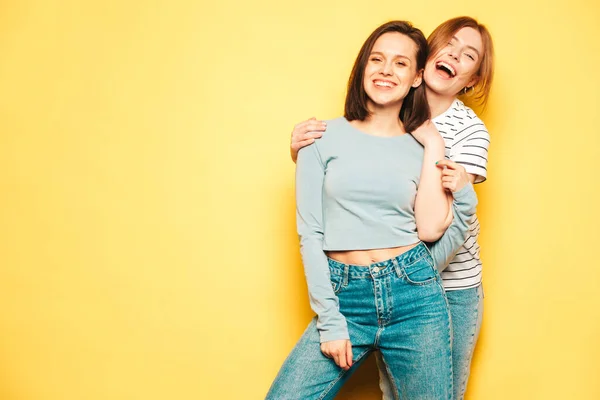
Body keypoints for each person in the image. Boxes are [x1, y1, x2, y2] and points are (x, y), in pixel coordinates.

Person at [267, 20, 478, 400]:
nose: (385, 70)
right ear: (362, 66)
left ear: (416, 77)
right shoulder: (319, 137)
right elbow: (310, 235)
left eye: (400, 63)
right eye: (376, 59)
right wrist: (331, 321)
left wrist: (434, 147)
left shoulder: (423, 146)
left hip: (416, 299)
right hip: (345, 296)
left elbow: (430, 231)